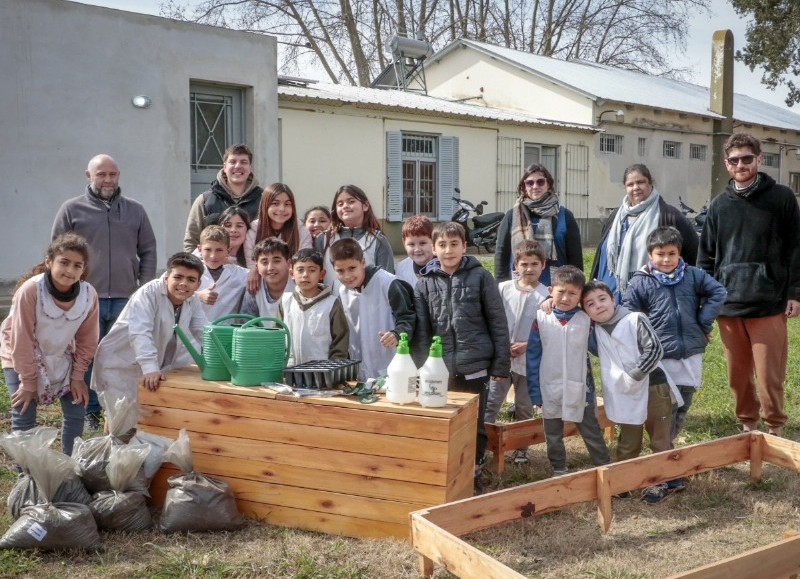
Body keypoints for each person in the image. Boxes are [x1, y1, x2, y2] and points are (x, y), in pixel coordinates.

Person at [698, 132, 800, 437]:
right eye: (734, 160)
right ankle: (747, 423)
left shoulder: (781, 198)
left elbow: (796, 247)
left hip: (768, 301)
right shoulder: (718, 205)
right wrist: (705, 298)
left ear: (758, 159)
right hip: (728, 304)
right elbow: (706, 257)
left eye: (747, 158)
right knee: (737, 374)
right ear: (727, 165)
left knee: (770, 374)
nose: (740, 164)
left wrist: (795, 292)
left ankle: (774, 427)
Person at [51, 153, 157, 430]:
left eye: (112, 174)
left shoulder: (135, 210)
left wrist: (142, 289)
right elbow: (57, 252)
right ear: (89, 176)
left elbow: (148, 250)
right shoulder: (71, 209)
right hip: (86, 299)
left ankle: (119, 411)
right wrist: (67, 291)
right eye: (101, 174)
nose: (107, 180)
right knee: (84, 357)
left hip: (126, 298)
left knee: (119, 358)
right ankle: (89, 413)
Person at [623, 226, 726, 493]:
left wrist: (703, 322)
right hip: (660, 358)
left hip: (690, 353)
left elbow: (719, 292)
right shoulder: (640, 281)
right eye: (660, 254)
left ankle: (666, 453)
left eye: (672, 253)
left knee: (683, 405)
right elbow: (630, 315)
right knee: (663, 412)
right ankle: (664, 466)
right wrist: (645, 341)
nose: (666, 259)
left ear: (679, 253)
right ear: (650, 254)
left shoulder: (693, 275)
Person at [413, 222, 510, 493]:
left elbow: (498, 322)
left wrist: (501, 364)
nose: (448, 250)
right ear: (433, 249)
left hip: (475, 366)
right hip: (439, 369)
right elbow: (422, 331)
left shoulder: (481, 277)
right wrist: (422, 368)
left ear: (464, 246)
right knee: (443, 421)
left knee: (474, 425)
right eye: (442, 245)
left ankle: (474, 472)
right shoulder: (424, 284)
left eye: (454, 244)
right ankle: (445, 472)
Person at [1, 234, 99, 455]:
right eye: (64, 262)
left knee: (76, 411)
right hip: (21, 354)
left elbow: (87, 340)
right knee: (24, 414)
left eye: (77, 265)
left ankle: (70, 470)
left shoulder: (88, 294)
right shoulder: (31, 291)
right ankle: (26, 479)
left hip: (61, 352)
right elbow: (21, 338)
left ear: (83, 269)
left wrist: (77, 377)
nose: (70, 271)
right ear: (49, 262)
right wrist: (27, 382)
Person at [582, 280, 676, 504]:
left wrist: (635, 375)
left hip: (652, 385)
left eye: (602, 299)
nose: (598, 306)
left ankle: (662, 480)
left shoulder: (634, 319)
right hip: (625, 391)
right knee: (628, 437)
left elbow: (654, 349)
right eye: (590, 304)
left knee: (659, 436)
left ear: (613, 300)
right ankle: (623, 479)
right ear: (586, 312)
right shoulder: (595, 329)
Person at [526, 266, 611, 478]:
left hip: (581, 388)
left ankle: (604, 466)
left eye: (573, 293)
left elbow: (598, 347)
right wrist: (535, 392)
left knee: (591, 430)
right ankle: (559, 468)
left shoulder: (586, 319)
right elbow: (533, 356)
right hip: (549, 386)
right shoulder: (541, 318)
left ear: (580, 296)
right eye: (561, 291)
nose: (566, 297)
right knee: (553, 433)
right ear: (551, 290)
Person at [91, 252, 207, 403]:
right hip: (122, 362)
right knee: (121, 418)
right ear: (166, 278)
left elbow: (203, 331)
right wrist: (150, 367)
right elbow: (140, 332)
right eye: (178, 277)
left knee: (143, 416)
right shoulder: (148, 293)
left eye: (191, 280)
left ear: (198, 285)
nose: (184, 283)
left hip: (153, 365)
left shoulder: (192, 300)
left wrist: (223, 360)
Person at [590, 164, 698, 301]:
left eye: (640, 182)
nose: (635, 188)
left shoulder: (670, 216)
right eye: (630, 184)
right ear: (625, 188)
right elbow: (602, 257)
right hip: (609, 298)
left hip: (650, 298)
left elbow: (694, 254)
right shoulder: (615, 217)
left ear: (650, 184)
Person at [484, 240, 550, 465]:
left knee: (524, 407)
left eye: (534, 264)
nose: (529, 269)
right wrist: (501, 346)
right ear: (516, 265)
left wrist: (527, 345)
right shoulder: (503, 289)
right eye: (524, 264)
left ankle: (521, 449)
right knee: (491, 402)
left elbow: (547, 332)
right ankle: (482, 444)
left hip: (528, 363)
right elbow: (492, 319)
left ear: (543, 265)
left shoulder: (546, 296)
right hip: (502, 359)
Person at [330, 238, 415, 381]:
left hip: (392, 369)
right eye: (340, 271)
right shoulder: (341, 291)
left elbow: (408, 318)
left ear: (363, 262)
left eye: (352, 268)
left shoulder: (388, 283)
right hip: (359, 371)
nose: (347, 276)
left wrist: (397, 334)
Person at [495, 164, 583, 286]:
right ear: (524, 187)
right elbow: (501, 253)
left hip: (555, 288)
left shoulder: (564, 215)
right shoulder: (512, 215)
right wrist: (501, 285)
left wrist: (576, 286)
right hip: (519, 286)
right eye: (529, 183)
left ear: (549, 185)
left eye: (540, 182)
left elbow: (575, 257)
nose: (535, 186)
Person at [183, 144, 263, 252]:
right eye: (233, 162)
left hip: (251, 267)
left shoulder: (263, 200)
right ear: (224, 167)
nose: (238, 166)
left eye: (243, 162)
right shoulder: (204, 201)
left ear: (250, 168)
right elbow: (191, 241)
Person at [280, 248, 349, 367]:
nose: (305, 275)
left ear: (322, 274)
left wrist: (331, 372)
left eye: (312, 270)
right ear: (292, 273)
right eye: (300, 270)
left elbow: (340, 343)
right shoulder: (285, 301)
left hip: (321, 374)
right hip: (289, 371)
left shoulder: (332, 304)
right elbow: (277, 337)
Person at [316, 185, 395, 288]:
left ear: (365, 205)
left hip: (368, 302)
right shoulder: (324, 239)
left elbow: (387, 281)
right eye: (340, 204)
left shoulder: (377, 240)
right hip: (331, 302)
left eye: (351, 201)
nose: (345, 206)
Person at [244, 183, 312, 269]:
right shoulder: (253, 231)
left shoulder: (302, 231)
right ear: (265, 205)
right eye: (275, 203)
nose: (282, 209)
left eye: (287, 204)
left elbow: (304, 265)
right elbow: (252, 266)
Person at [195, 225, 249, 322]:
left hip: (225, 333)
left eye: (219, 250)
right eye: (208, 249)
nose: (213, 256)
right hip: (193, 334)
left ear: (228, 251)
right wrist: (198, 296)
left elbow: (262, 276)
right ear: (199, 249)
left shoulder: (240, 274)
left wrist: (255, 272)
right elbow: (170, 289)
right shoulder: (190, 271)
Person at [240, 238, 294, 319]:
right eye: (264, 262)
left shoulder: (298, 286)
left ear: (288, 263)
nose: (270, 268)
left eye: (276, 261)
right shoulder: (254, 287)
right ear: (257, 266)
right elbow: (246, 324)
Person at [395, 215, 434, 287]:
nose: (417, 249)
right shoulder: (400, 269)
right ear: (404, 243)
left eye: (422, 243)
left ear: (433, 241)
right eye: (411, 244)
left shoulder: (444, 266)